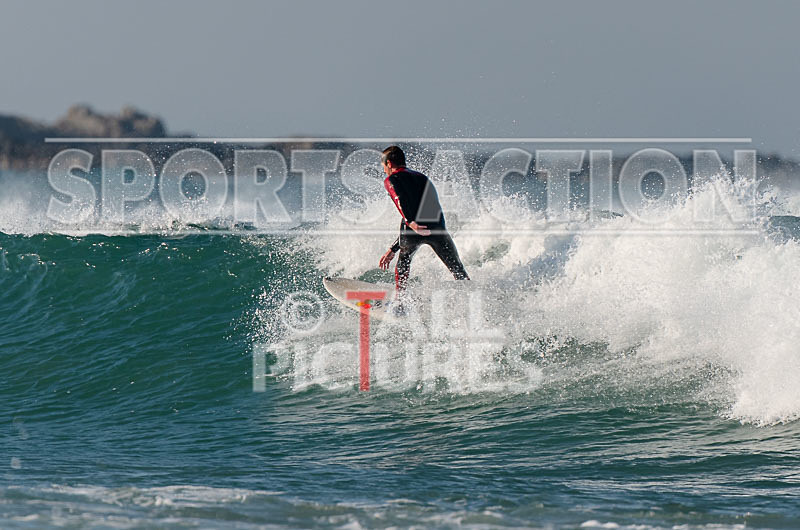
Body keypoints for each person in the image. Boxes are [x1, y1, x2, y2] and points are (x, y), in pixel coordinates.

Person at [378, 145, 469, 297]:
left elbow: (400, 198)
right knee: (458, 270)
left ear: (389, 163)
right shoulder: (422, 177)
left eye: (383, 166)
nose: (384, 170)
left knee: (403, 263)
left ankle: (400, 301)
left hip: (412, 229)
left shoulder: (391, 179)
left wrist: (411, 222)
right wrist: (393, 248)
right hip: (437, 229)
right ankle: (470, 298)